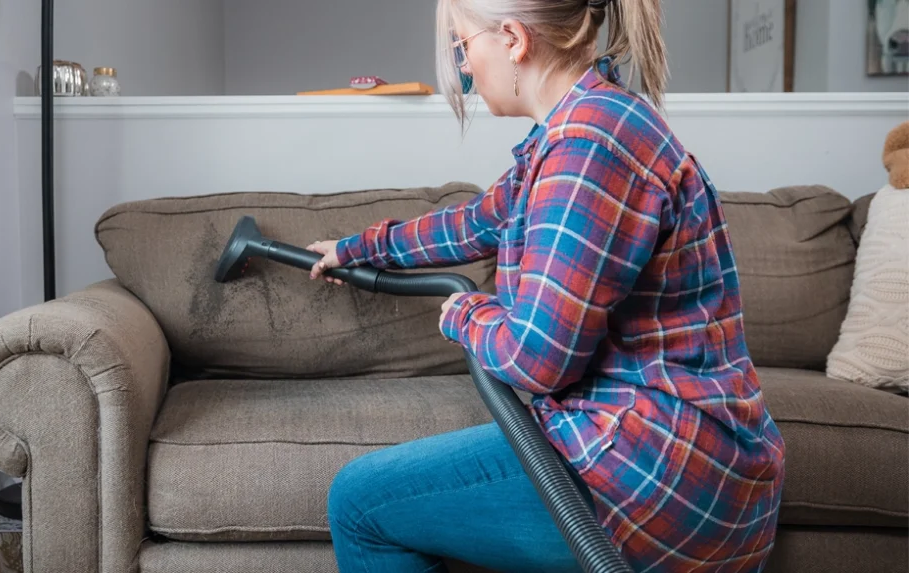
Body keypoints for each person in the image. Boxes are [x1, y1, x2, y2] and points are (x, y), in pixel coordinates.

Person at [306, 0, 786, 570]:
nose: (463, 66)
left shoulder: (589, 147)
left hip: (661, 470)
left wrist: (466, 313)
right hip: (678, 458)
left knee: (359, 502)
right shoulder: (578, 126)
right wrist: (354, 249)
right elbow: (480, 221)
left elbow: (538, 359)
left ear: (512, 39)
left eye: (463, 44)